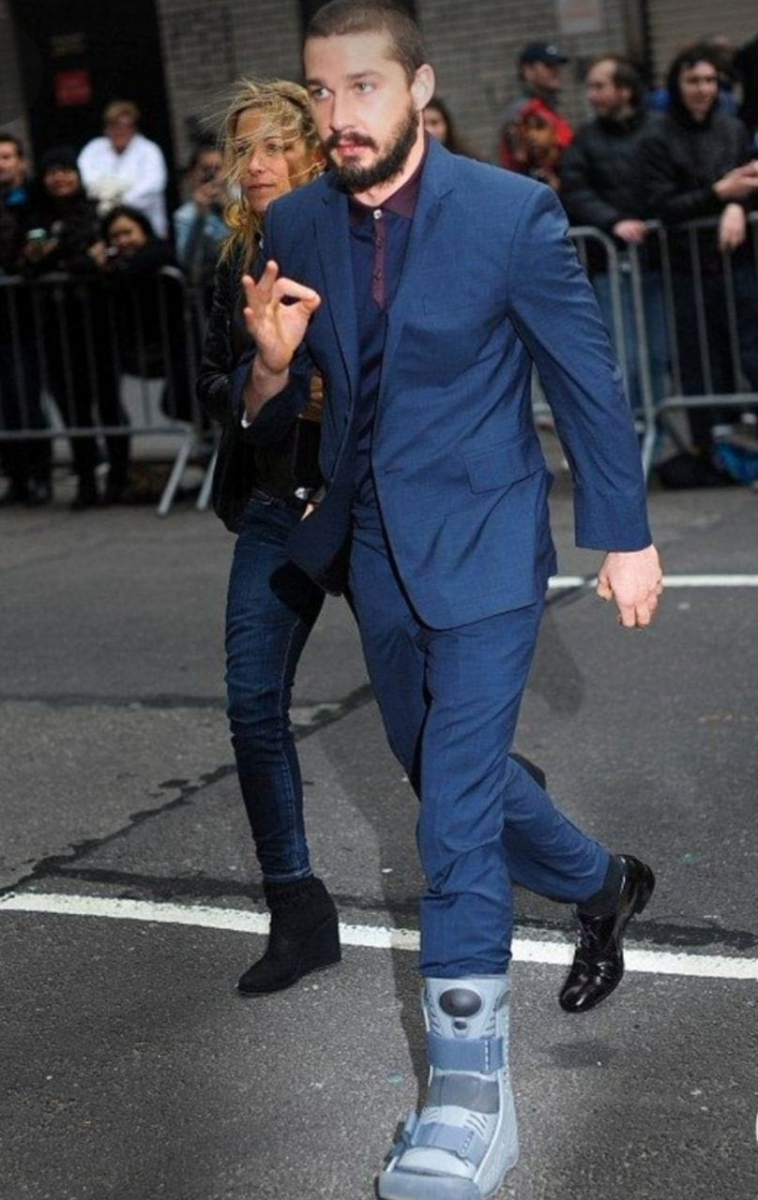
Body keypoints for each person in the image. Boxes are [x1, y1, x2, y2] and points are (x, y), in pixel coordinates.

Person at [234, 4, 662, 1197]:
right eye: (321, 93)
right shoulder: (296, 223)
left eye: (363, 88)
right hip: (371, 548)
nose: (339, 116)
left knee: (453, 820)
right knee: (441, 776)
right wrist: (268, 364)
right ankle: (601, 883)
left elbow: (585, 378)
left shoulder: (508, 213)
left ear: (419, 88)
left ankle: (469, 1100)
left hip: (482, 541)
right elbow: (263, 411)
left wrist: (623, 535)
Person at [195, 80, 339, 996]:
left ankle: (527, 832)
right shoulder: (231, 261)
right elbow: (208, 383)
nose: (256, 165)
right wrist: (264, 379)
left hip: (361, 501)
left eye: (276, 146)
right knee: (253, 705)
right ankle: (296, 907)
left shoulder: (356, 239)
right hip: (274, 504)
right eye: (244, 148)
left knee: (432, 712)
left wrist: (325, 395)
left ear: (314, 154)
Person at [641, 42, 758, 472]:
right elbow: (661, 204)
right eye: (693, 80)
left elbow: (749, 182)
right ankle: (709, 452)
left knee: (749, 351)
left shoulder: (732, 129)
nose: (702, 88)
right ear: (677, 84)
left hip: (735, 261)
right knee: (698, 362)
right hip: (685, 268)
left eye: (709, 80)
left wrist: (736, 206)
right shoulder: (658, 136)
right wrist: (719, 194)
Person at [21, 146, 129, 508]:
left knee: (109, 402)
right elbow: (29, 265)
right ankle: (86, 480)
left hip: (98, 323)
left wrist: (65, 259)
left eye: (66, 170)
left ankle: (118, 478)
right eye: (52, 171)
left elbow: (105, 258)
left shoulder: (97, 211)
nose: (60, 178)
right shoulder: (36, 217)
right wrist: (75, 259)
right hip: (55, 328)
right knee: (73, 408)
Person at [560, 56, 668, 415]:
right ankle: (630, 425)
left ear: (624, 90)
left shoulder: (660, 129)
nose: (590, 95)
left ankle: (655, 422)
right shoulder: (586, 140)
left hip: (659, 260)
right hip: (611, 261)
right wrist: (614, 221)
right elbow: (575, 190)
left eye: (599, 86)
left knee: (658, 353)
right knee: (625, 353)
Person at [0, 132, 51, 505]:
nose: (1, 165)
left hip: (26, 317)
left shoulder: (34, 201)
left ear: (20, 162)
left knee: (26, 397)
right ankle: (16, 477)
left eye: (6, 157)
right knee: (5, 404)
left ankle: (40, 474)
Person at [78, 100, 169, 236]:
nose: (120, 131)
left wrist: (118, 202)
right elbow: (85, 178)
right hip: (104, 225)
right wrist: (108, 194)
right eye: (115, 126)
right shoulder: (93, 148)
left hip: (146, 225)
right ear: (106, 128)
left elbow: (152, 186)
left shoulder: (149, 150)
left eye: (126, 126)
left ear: (134, 128)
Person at [498, 42, 573, 181]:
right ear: (528, 71)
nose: (556, 71)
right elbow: (522, 160)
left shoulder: (549, 107)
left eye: (557, 66)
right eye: (548, 66)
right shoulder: (524, 111)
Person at [173, 142, 228, 304]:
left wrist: (227, 207)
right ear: (192, 174)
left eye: (217, 168)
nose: (212, 175)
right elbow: (185, 259)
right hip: (211, 288)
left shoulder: (242, 202)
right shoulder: (185, 216)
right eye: (205, 169)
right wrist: (199, 217)